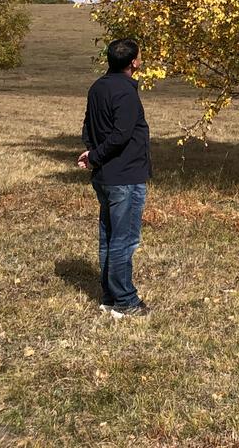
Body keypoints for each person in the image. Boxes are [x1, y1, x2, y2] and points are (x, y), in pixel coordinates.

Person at [77, 38, 152, 318]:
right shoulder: (126, 93)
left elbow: (88, 124)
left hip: (106, 177)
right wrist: (95, 156)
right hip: (125, 176)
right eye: (140, 56)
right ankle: (125, 300)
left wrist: (92, 151)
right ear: (133, 62)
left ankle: (109, 296)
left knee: (109, 237)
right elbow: (121, 135)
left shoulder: (98, 88)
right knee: (125, 239)